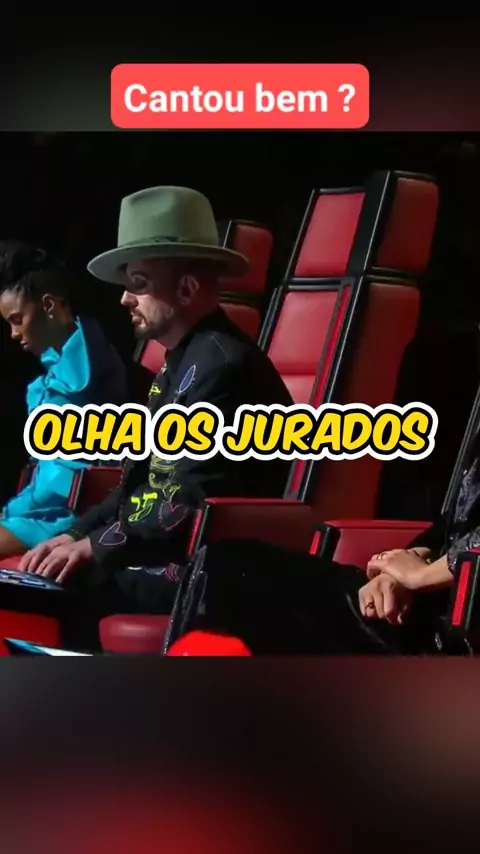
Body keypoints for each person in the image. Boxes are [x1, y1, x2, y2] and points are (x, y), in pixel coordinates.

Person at [18, 186, 293, 636]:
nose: (124, 298)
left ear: (186, 288)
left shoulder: (223, 368)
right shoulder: (179, 364)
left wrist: (95, 548)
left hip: (209, 571)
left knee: (50, 586)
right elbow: (137, 489)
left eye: (139, 283)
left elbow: (186, 503)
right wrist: (74, 534)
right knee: (38, 573)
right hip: (166, 553)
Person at [0, 241, 128, 559]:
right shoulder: (54, 375)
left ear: (49, 305)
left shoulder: (89, 367)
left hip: (65, 519)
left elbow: (66, 480)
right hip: (38, 511)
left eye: (17, 319)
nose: (13, 334)